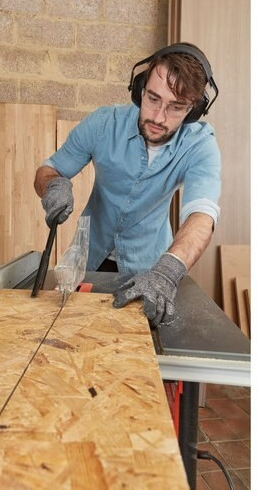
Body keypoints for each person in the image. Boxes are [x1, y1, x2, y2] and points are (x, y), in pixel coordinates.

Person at [34, 42, 221, 327]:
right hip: (87, 264)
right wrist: (53, 186)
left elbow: (202, 214)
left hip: (150, 271)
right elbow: (50, 169)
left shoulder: (199, 145)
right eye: (153, 98)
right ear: (140, 89)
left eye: (176, 107)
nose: (158, 117)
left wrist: (168, 272)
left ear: (193, 110)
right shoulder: (103, 124)